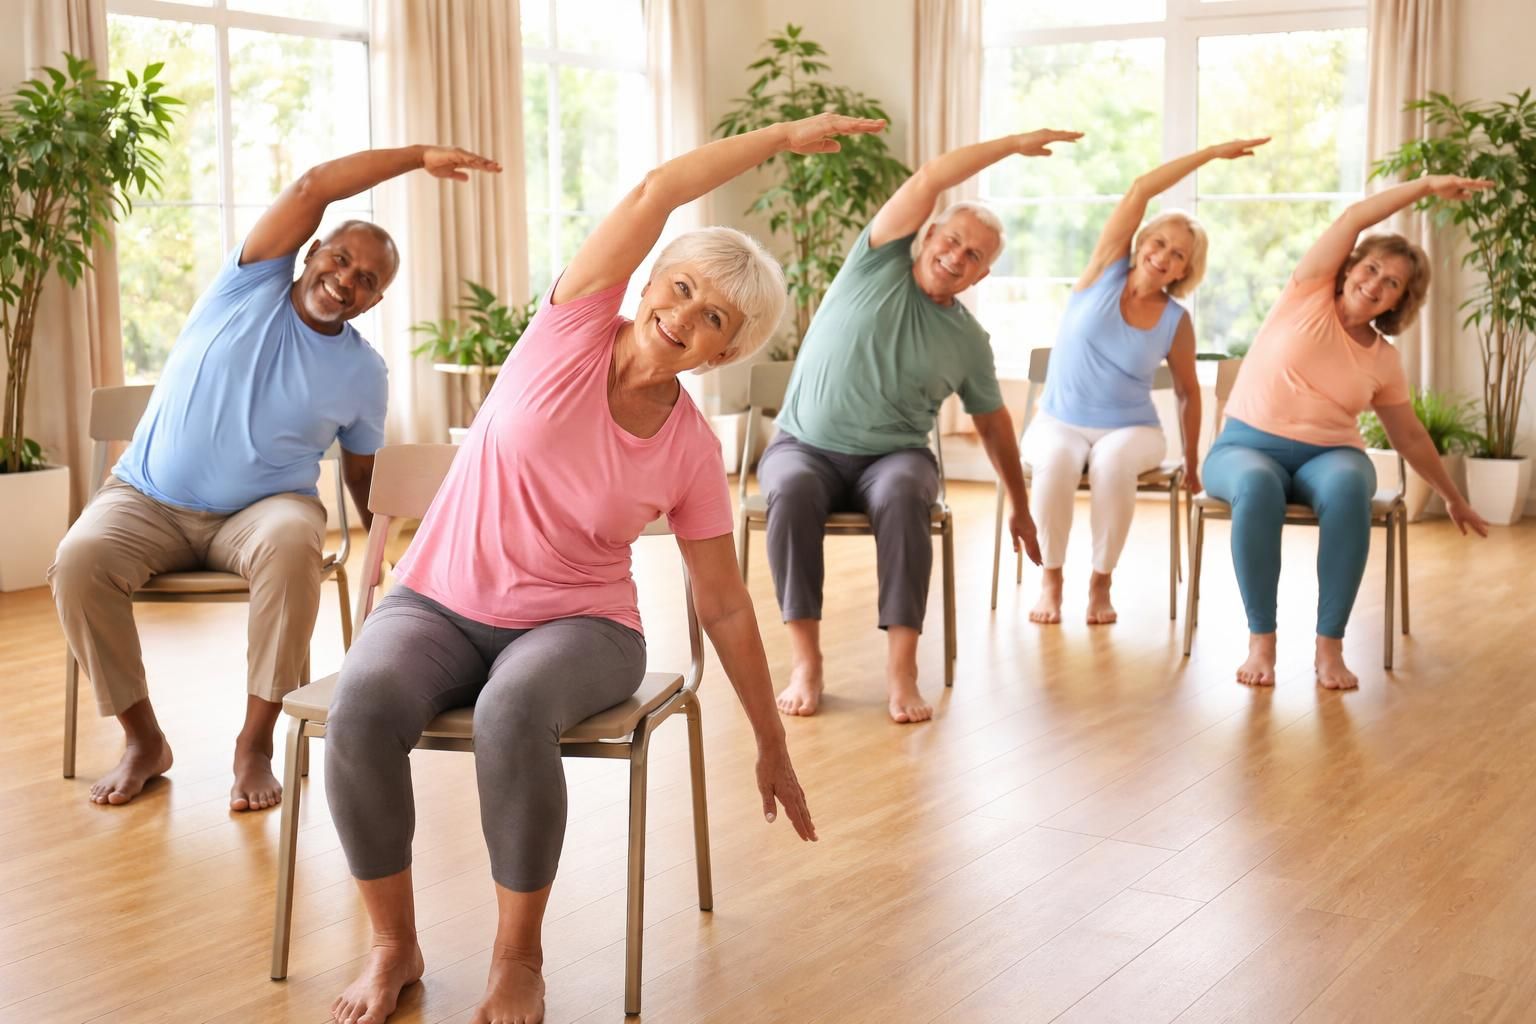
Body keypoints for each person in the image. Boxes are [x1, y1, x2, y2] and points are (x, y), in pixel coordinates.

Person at [323, 113, 881, 1024]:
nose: (684, 316)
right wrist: (779, 139)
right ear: (648, 281)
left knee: (511, 711)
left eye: (714, 319)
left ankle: (518, 960)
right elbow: (656, 191)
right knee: (362, 704)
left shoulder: (693, 451)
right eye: (681, 287)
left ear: (726, 353)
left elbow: (725, 606)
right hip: (435, 600)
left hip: (583, 628)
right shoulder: (569, 329)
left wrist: (772, 744)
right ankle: (394, 946)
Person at [48, 145, 500, 811]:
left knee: (295, 547)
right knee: (78, 560)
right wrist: (418, 157)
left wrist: (399, 553)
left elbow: (362, 469)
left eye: (368, 280)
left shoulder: (364, 372)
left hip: (264, 511)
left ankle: (254, 744)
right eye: (341, 259)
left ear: (376, 301)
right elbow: (315, 182)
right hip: (146, 497)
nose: (347, 280)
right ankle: (143, 740)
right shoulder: (248, 283)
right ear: (313, 250)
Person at [762, 129, 1081, 724]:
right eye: (953, 241)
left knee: (908, 492)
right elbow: (932, 176)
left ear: (981, 276)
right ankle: (806, 662)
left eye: (974, 256)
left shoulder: (968, 340)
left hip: (895, 457)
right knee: (791, 489)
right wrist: (1012, 146)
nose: (957, 257)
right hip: (804, 445)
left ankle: (902, 669)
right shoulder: (876, 260)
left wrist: (1018, 503)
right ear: (927, 235)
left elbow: (994, 425)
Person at [1203, 174, 1493, 690]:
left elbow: (1408, 436)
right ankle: (1261, 640)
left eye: (1392, 283)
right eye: (1371, 268)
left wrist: (1451, 497)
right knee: (1257, 487)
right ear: (1349, 268)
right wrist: (1428, 186)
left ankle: (1329, 646)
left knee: (1346, 487)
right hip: (1244, 446)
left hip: (1330, 455)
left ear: (1399, 301)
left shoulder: (1384, 360)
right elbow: (1354, 218)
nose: (1375, 283)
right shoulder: (1306, 294)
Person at [1023, 139, 1269, 625]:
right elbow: (1139, 189)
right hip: (1057, 420)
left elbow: (1186, 392)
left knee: (1113, 463)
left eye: (1178, 255)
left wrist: (1195, 462)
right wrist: (1210, 154)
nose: (1164, 256)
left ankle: (1100, 583)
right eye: (1159, 242)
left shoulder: (1175, 320)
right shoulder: (1100, 274)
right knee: (1054, 459)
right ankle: (1051, 579)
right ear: (1141, 243)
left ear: (1184, 270)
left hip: (1131, 430)